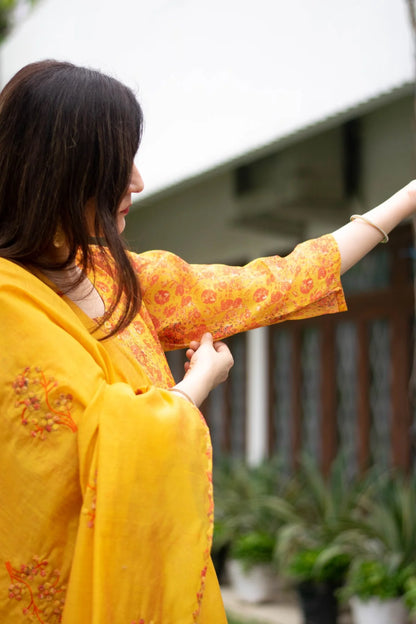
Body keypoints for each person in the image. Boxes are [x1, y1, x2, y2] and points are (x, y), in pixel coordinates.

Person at [0, 60, 414, 624]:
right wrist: (196, 384)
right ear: (66, 169)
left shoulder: (116, 277)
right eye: (118, 163)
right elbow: (74, 442)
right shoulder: (9, 300)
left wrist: (406, 199)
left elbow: (275, 284)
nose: (138, 181)